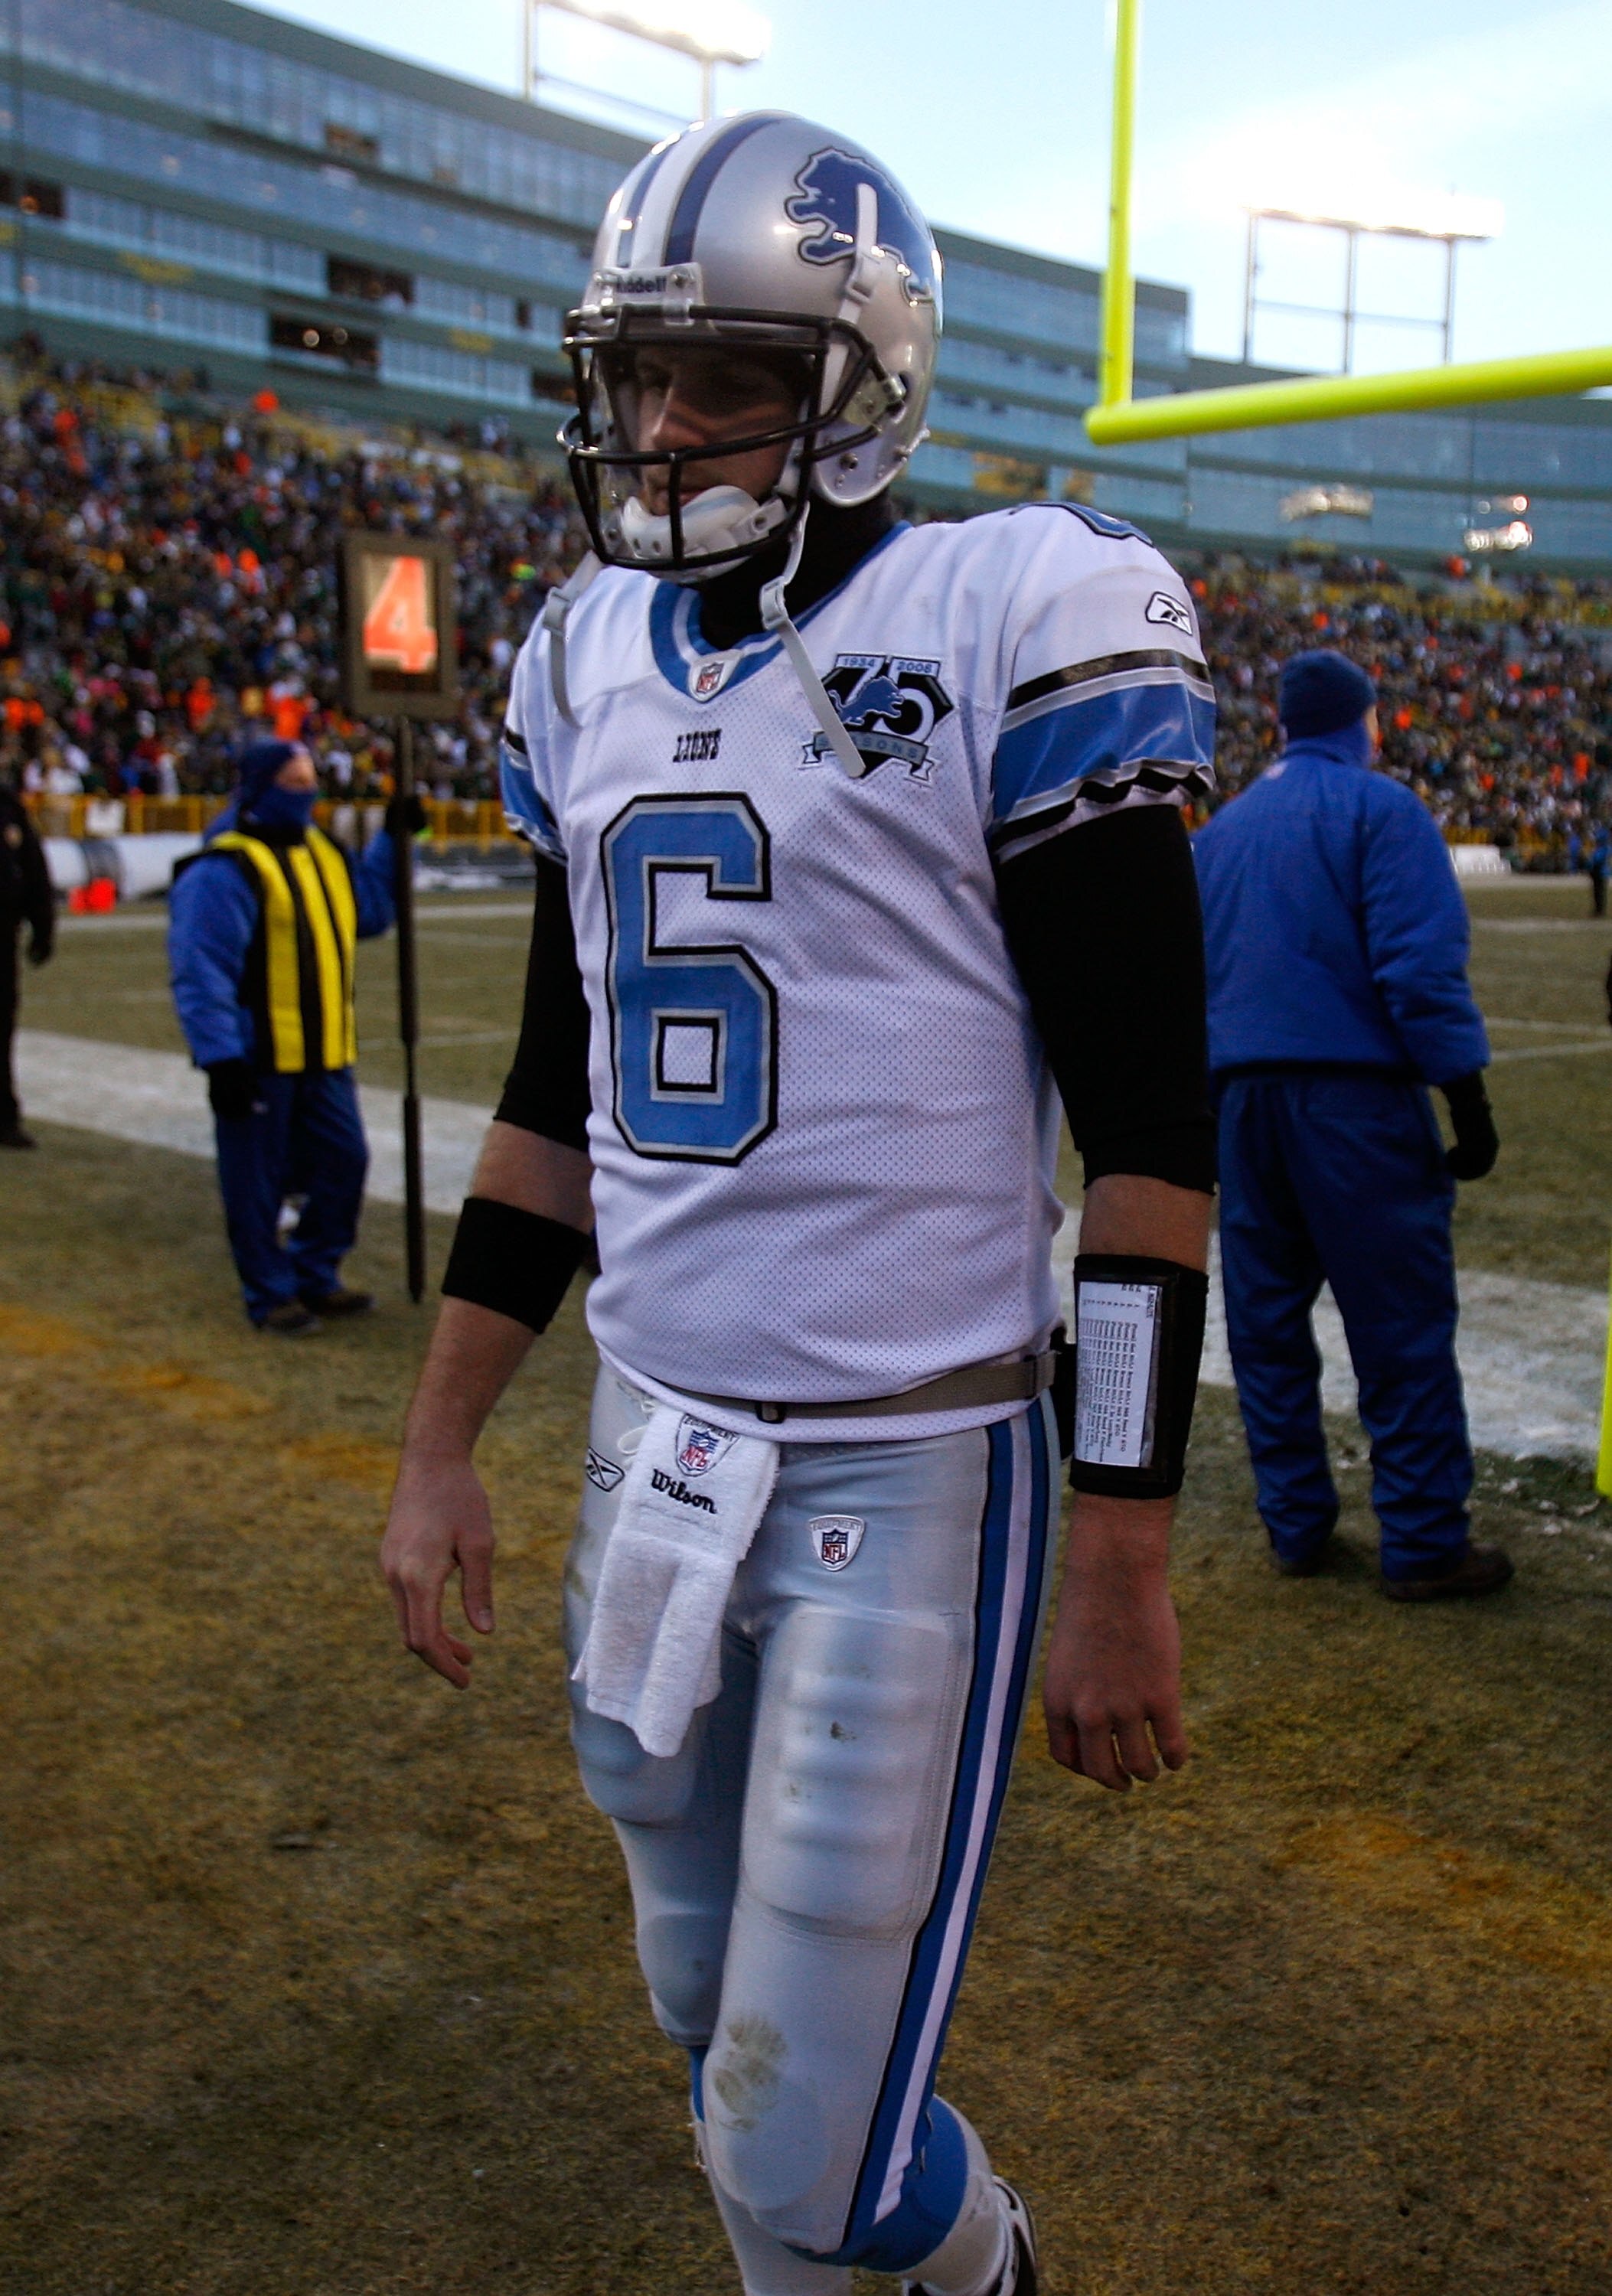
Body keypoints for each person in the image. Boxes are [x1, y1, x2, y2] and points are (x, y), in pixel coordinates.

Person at [381, 113, 1217, 2296]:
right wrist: (443, 1439)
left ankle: (991, 2264)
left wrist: (1119, 1551)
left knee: (800, 2147)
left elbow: (1148, 1139)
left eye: (723, 377)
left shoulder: (1009, 609)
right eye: (638, 374)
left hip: (905, 1459)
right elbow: (557, 1103)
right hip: (652, 1445)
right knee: (704, 2025)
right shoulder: (580, 654)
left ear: (860, 388)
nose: (663, 425)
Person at [1193, 648, 1512, 1602]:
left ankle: (1295, 1523)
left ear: (1283, 727)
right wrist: (1466, 1097)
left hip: (1243, 1106)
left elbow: (1193, 982)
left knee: (1265, 1327)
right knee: (1398, 1324)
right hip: (1355, 1107)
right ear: (1363, 720)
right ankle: (1422, 1540)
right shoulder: (1382, 810)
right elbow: (1418, 969)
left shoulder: (1222, 832)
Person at [168, 737, 399, 1332]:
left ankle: (316, 1271)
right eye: (293, 782)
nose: (306, 792)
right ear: (260, 787)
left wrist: (396, 840)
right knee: (257, 1183)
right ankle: (270, 1293)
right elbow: (201, 968)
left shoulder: (324, 851)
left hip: (328, 1055)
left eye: (310, 781)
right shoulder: (226, 867)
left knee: (345, 1163)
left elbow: (371, 913)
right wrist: (220, 1058)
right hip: (259, 1057)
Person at [0, 771, 54, 1148]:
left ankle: (4, 1117)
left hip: (3, 935)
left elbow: (33, 865)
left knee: (1, 1031)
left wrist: (43, 924)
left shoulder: (7, 805)